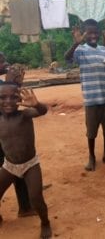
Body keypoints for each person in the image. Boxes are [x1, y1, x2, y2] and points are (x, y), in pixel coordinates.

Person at [65, 19, 105, 171]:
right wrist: (76, 43)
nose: (93, 35)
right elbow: (67, 58)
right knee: (91, 131)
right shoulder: (81, 50)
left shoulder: (104, 50)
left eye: (96, 32)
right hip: (91, 98)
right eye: (89, 33)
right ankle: (91, 156)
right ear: (84, 34)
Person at [0, 84, 52, 238]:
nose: (8, 101)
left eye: (14, 97)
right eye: (2, 97)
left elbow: (42, 111)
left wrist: (37, 104)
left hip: (30, 165)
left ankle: (45, 222)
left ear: (20, 99)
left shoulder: (25, 115)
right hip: (9, 165)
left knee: (36, 197)